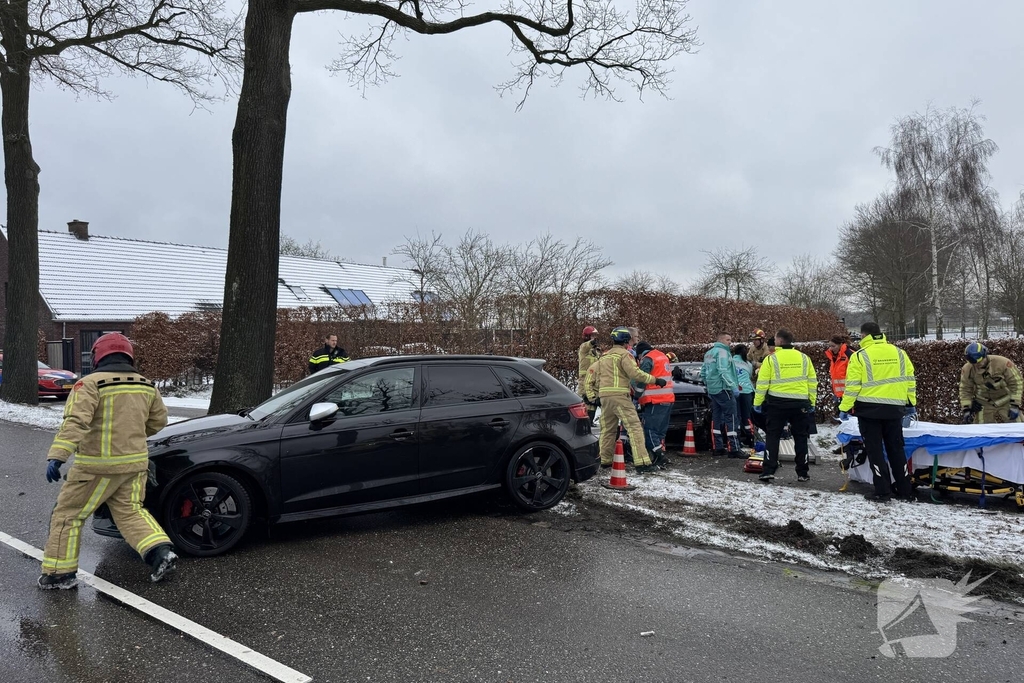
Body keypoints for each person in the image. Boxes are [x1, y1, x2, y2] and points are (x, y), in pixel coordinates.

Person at [39, 333, 177, 590]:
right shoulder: (147, 385)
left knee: (68, 516)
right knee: (130, 512)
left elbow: (76, 422)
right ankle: (160, 552)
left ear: (97, 356)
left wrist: (58, 456)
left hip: (95, 467)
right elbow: (158, 422)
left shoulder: (89, 384)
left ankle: (59, 573)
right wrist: (132, 435)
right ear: (128, 356)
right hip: (135, 465)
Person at [839, 322, 916, 502]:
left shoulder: (860, 356)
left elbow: (853, 387)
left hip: (869, 410)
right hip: (895, 410)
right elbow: (910, 379)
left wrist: (844, 408)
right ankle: (905, 490)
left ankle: (882, 491)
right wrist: (910, 403)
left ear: (864, 335)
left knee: (875, 451)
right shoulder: (899, 353)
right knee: (896, 449)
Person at [585, 327, 666, 473]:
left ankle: (605, 460)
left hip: (604, 398)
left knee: (608, 430)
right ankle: (642, 463)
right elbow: (635, 373)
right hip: (620, 397)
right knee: (634, 427)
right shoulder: (625, 355)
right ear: (626, 341)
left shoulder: (605, 356)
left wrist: (592, 396)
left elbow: (590, 374)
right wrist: (655, 379)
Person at [753, 328, 817, 482]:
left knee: (773, 436)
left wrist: (757, 402)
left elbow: (762, 383)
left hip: (777, 403)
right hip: (800, 404)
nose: (773, 342)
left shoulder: (771, 359)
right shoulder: (804, 358)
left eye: (775, 339)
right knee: (801, 437)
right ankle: (803, 472)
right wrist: (811, 402)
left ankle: (768, 470)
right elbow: (812, 382)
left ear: (780, 341)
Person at [634, 341, 675, 468]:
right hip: (668, 399)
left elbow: (642, 378)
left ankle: (660, 457)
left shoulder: (647, 359)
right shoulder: (662, 356)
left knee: (650, 431)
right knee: (660, 432)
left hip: (655, 401)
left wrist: (637, 394)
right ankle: (659, 455)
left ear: (640, 354)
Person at [700, 332, 742, 457]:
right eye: (728, 339)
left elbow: (703, 372)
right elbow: (723, 371)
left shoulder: (709, 353)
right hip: (724, 389)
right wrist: (733, 386)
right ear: (721, 340)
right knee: (731, 418)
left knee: (716, 418)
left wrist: (708, 385)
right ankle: (733, 448)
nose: (730, 342)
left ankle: (717, 447)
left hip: (713, 390)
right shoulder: (723, 353)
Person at [959, 343, 1023, 424]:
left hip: (1006, 399)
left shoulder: (1003, 363)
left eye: (979, 361)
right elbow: (965, 388)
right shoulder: (968, 369)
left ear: (985, 355)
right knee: (981, 430)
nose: (977, 365)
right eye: (973, 363)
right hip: (983, 402)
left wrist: (1015, 405)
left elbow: (1017, 382)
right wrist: (967, 408)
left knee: (1018, 427)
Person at [732, 343, 756, 446]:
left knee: (736, 416)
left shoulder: (730, 362)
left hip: (735, 391)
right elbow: (750, 375)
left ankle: (737, 439)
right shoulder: (748, 364)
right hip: (747, 391)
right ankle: (750, 438)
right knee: (747, 416)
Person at [577, 326, 601, 415]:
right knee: (587, 407)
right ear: (587, 336)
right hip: (584, 382)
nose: (595, 337)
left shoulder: (597, 351)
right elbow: (586, 346)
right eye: (593, 335)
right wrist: (591, 342)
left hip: (595, 383)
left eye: (596, 335)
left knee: (593, 406)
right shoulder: (583, 349)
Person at [825, 335, 852, 410]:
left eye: (833, 346)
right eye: (830, 346)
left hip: (850, 394)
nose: (831, 348)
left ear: (840, 344)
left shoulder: (849, 354)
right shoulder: (833, 357)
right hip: (839, 394)